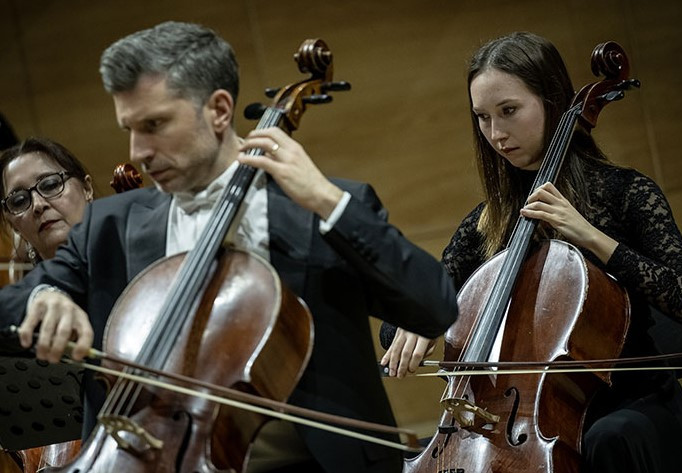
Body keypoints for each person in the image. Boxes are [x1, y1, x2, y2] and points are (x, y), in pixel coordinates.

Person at [0, 21, 458, 473]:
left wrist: (327, 202)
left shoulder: (322, 208)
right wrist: (43, 297)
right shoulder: (110, 228)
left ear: (219, 110)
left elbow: (433, 308)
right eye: (129, 129)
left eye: (155, 124)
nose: (138, 151)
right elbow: (8, 307)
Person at [381, 32, 682, 473]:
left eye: (509, 111)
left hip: (626, 407)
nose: (496, 134)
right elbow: (396, 330)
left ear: (552, 101)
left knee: (609, 440)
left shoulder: (626, 194)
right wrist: (417, 320)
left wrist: (588, 234)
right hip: (520, 420)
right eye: (482, 117)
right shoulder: (486, 224)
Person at [0, 137, 93, 470]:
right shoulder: (18, 307)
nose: (38, 204)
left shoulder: (133, 270)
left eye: (51, 184)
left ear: (87, 189)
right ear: (13, 222)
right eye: (20, 200)